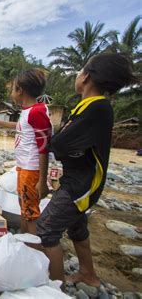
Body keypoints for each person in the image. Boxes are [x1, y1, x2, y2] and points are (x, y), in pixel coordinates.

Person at [36, 53, 139, 287]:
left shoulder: (98, 108)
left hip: (82, 184)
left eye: (80, 70)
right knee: (76, 225)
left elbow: (60, 143)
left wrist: (57, 142)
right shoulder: (88, 106)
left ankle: (56, 286)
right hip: (77, 178)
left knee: (46, 228)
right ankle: (88, 274)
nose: (77, 75)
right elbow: (69, 142)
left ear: (87, 77)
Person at [0, 69, 52, 235]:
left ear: (20, 90)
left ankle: (33, 248)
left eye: (12, 88)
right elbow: (21, 127)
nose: (11, 92)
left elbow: (44, 147)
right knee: (24, 206)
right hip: (23, 167)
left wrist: (42, 181)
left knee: (31, 213)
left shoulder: (37, 112)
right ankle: (23, 241)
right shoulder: (28, 111)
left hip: (31, 169)